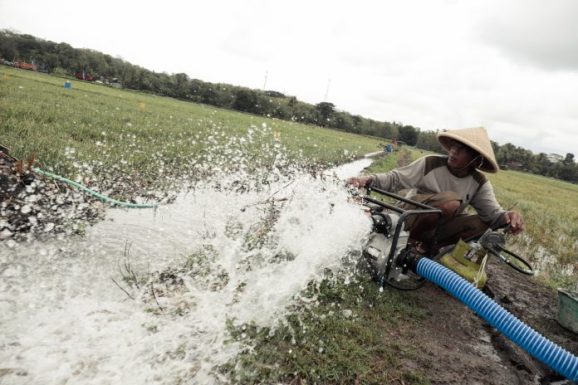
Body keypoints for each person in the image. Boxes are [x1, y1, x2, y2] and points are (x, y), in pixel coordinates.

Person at [347, 127, 524, 253]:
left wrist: (509, 218)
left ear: (475, 160)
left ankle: (429, 249)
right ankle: (404, 242)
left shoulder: (478, 182)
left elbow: (493, 214)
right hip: (410, 216)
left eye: (462, 150)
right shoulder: (431, 163)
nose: (454, 152)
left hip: (438, 227)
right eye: (454, 146)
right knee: (450, 202)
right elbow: (395, 178)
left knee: (481, 225)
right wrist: (366, 179)